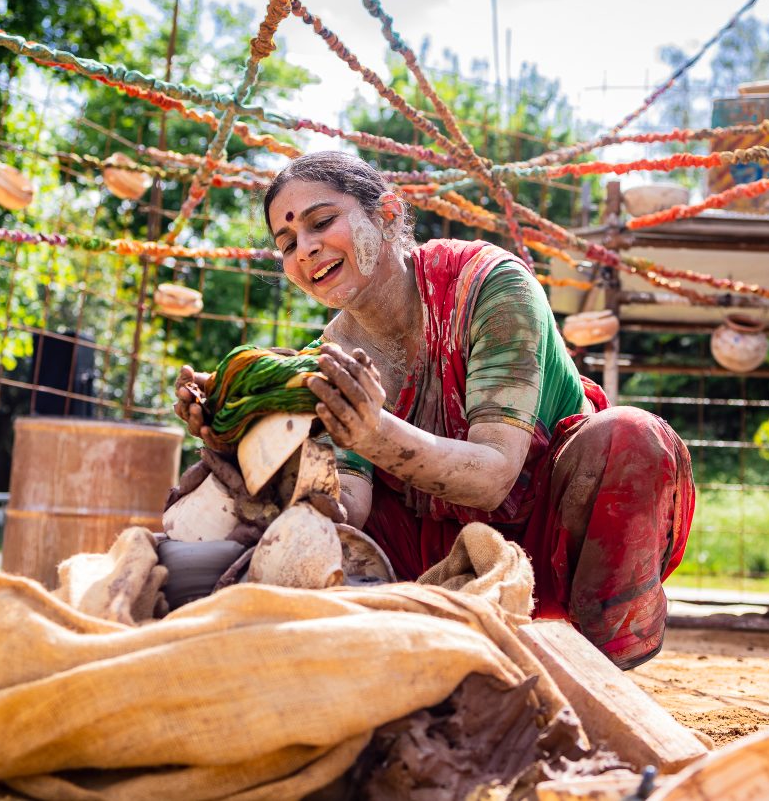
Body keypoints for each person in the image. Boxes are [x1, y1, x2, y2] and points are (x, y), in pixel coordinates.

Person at [175, 151, 694, 669]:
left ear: (389, 213)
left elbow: (495, 476)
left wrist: (372, 430)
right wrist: (237, 431)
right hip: (438, 550)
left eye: (322, 222)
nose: (305, 249)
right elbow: (350, 506)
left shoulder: (489, 285)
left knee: (631, 436)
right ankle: (389, 656)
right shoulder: (331, 354)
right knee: (308, 530)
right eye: (287, 244)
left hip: (551, 523)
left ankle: (605, 672)